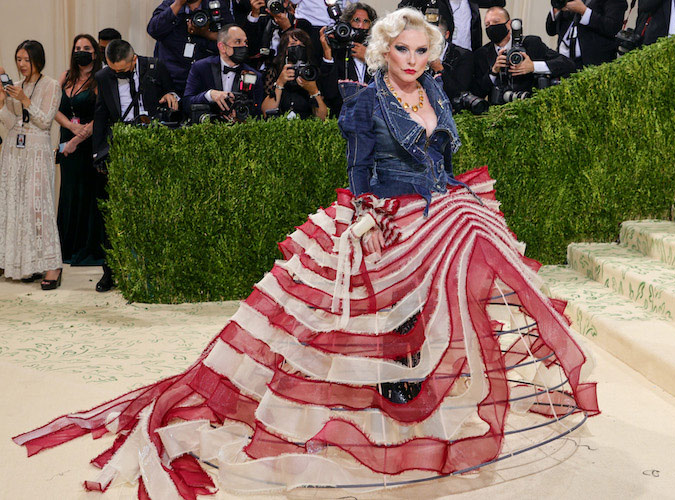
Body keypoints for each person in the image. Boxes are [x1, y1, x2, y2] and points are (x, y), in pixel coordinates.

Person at [13, 8, 598, 497]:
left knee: (451, 277)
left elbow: (442, 157)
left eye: (422, 49)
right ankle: (375, 405)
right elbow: (360, 169)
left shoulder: (437, 92)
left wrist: (451, 193)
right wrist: (368, 214)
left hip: (438, 207)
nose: (413, 59)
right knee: (372, 312)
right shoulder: (368, 103)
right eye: (402, 49)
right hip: (384, 211)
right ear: (383, 52)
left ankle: (421, 391)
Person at [93, 40, 179, 292]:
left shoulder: (156, 67)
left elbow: (174, 93)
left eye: (122, 70)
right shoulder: (102, 76)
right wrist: (98, 154)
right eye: (113, 70)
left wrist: (170, 96)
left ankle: (157, 271)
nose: (117, 74)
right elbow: (100, 115)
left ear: (134, 59)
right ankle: (109, 272)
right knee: (113, 211)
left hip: (153, 145)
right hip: (119, 146)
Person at [0, 41, 63, 290]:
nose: (22, 64)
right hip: (13, 150)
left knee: (40, 206)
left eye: (26, 59)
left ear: (38, 59)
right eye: (18, 59)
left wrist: (25, 99)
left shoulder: (52, 86)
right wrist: (3, 100)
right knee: (16, 204)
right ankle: (25, 264)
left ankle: (52, 265)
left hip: (38, 151)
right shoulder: (15, 86)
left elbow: (45, 121)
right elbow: (10, 121)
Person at [54, 34, 104, 267]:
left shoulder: (100, 79)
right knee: (69, 192)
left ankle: (87, 248)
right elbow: (53, 108)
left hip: (89, 144)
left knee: (87, 193)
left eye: (86, 47)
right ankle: (67, 247)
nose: (80, 51)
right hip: (68, 139)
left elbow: (103, 115)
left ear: (95, 52)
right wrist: (70, 128)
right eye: (77, 47)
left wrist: (79, 137)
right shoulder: (65, 76)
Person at [473, 7, 576, 101]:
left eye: (496, 22)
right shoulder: (481, 54)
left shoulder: (531, 43)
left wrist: (533, 66)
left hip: (530, 107)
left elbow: (568, 64)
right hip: (497, 112)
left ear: (509, 24)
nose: (491, 27)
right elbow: (478, 93)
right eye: (487, 24)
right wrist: (493, 72)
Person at [147, 0, 237, 96]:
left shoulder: (215, 5)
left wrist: (205, 33)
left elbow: (233, 38)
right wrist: (178, 4)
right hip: (172, 79)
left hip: (203, 80)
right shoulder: (171, 4)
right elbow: (153, 30)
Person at [182, 24, 264, 117]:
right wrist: (209, 95)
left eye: (245, 42)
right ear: (222, 47)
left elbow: (257, 112)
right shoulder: (201, 67)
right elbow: (186, 103)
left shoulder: (254, 75)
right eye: (238, 42)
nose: (244, 46)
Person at [319, 2, 377, 116]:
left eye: (366, 21)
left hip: (371, 115)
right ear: (347, 23)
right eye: (357, 20)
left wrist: (369, 59)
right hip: (342, 116)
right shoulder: (338, 52)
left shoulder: (377, 53)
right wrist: (327, 52)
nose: (361, 26)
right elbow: (329, 92)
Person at [261, 28, 328, 119]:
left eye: (302, 44)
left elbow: (322, 117)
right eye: (293, 44)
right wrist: (280, 83)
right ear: (285, 49)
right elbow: (266, 112)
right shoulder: (274, 70)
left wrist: (313, 91)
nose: (298, 47)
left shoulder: (312, 72)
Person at [545, 0, 627, 69]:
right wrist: (557, 7)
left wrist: (584, 11)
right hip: (564, 63)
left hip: (592, 64)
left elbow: (612, 27)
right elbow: (551, 30)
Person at [398, 0, 506, 50]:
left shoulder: (471, 2)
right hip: (438, 55)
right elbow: (402, 11)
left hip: (467, 59)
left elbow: (500, 2)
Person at [430, 14, 475, 102]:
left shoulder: (463, 56)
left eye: (436, 35)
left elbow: (459, 92)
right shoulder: (420, 53)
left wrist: (440, 70)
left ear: (446, 34)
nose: (432, 39)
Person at [244, 0, 296, 70]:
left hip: (287, 69)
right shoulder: (262, 19)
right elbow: (249, 49)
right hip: (262, 68)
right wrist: (254, 15)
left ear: (285, 2)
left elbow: (298, 54)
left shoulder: (297, 21)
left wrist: (287, 29)